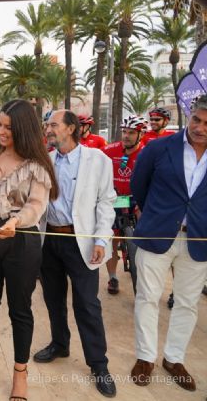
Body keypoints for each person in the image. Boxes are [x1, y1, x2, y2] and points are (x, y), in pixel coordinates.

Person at [0, 99, 58, 401]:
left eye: (8, 127)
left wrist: (17, 221)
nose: (0, 131)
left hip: (22, 238)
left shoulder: (38, 164)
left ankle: (20, 372)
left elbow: (36, 205)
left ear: (23, 129)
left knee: (20, 309)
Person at [35, 109, 117, 398]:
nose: (48, 130)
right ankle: (60, 344)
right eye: (47, 126)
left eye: (53, 125)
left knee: (87, 305)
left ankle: (99, 365)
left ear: (71, 128)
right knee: (53, 300)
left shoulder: (98, 161)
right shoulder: (43, 161)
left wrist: (101, 240)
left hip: (81, 242)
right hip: (49, 243)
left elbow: (107, 202)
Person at [128, 94, 207, 392]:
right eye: (196, 119)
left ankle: (173, 359)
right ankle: (145, 357)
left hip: (199, 239)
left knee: (187, 303)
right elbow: (139, 185)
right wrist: (157, 215)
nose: (200, 127)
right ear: (189, 116)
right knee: (147, 297)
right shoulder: (158, 148)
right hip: (157, 233)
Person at [101, 114, 147, 295]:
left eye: (131, 132)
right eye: (124, 132)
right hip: (115, 197)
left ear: (140, 134)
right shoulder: (109, 150)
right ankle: (112, 277)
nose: (126, 136)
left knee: (144, 232)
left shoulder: (146, 152)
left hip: (137, 198)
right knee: (111, 239)